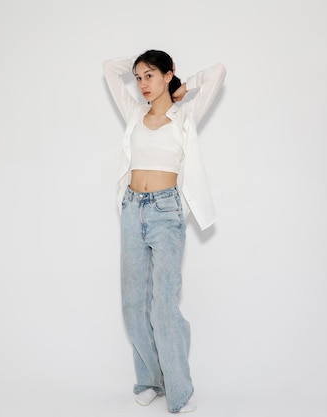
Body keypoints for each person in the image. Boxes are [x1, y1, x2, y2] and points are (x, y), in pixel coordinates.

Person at [103, 50, 226, 414]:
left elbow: (218, 72)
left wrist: (182, 86)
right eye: (138, 77)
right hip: (131, 209)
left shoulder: (184, 115)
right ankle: (149, 379)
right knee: (133, 304)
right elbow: (110, 70)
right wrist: (137, 60)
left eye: (150, 75)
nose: (141, 84)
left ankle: (180, 389)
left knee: (164, 307)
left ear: (167, 74)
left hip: (165, 212)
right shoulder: (134, 114)